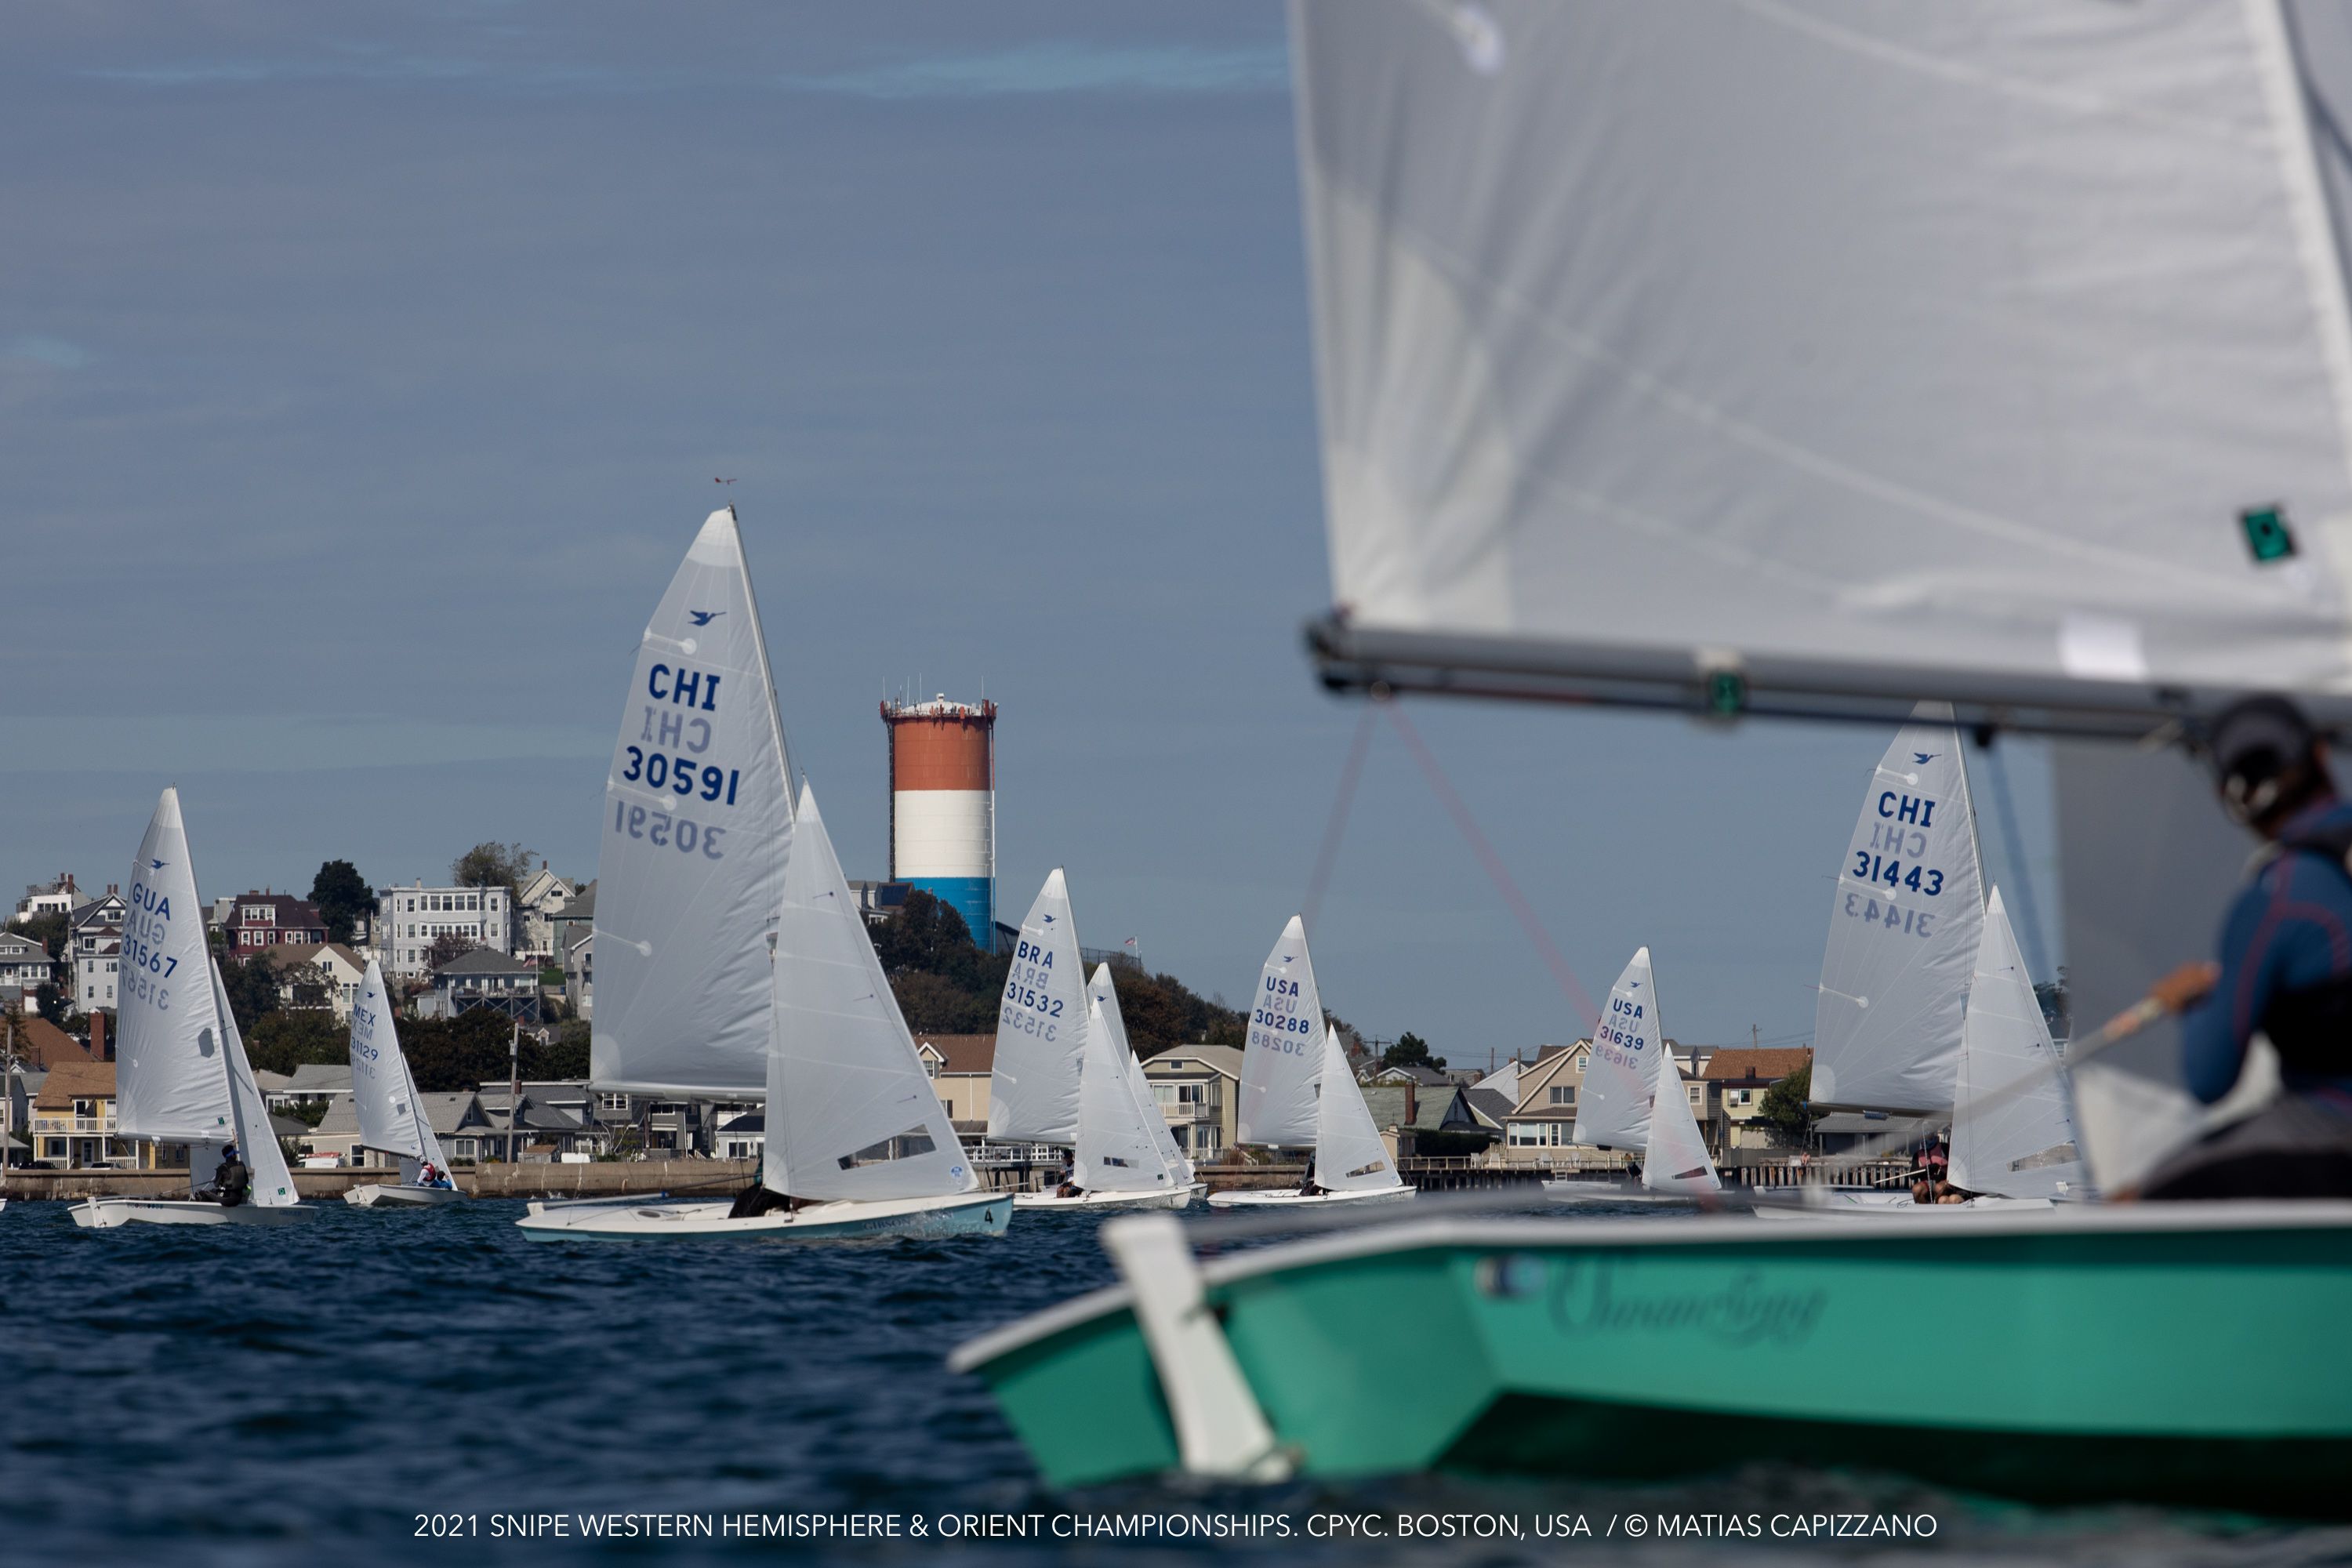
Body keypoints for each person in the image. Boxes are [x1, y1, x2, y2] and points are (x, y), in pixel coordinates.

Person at [2140, 695, 2352, 1199]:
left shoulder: (2276, 898)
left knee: (2148, 1197)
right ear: (2320, 755)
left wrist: (2192, 1006)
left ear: (2229, 796)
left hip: (2333, 1123)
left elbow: (2209, 1079)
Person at [212, 1143, 249, 1208]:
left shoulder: (222, 1167)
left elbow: (216, 1185)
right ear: (232, 1155)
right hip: (241, 1197)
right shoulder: (241, 1164)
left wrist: (218, 1179)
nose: (236, 1155)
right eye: (235, 1153)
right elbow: (247, 1180)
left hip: (229, 1199)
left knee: (208, 1193)